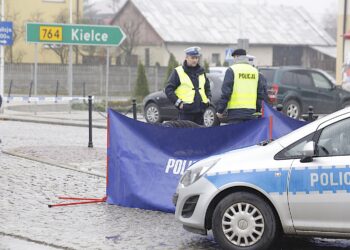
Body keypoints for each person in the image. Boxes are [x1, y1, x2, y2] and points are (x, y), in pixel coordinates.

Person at [216, 49, 268, 124]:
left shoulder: (232, 70)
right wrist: (259, 109)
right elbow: (260, 94)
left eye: (234, 58)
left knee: (236, 135)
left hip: (235, 113)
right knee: (248, 135)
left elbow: (226, 93)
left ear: (237, 57)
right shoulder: (255, 71)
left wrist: (220, 110)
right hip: (251, 113)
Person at [165, 46, 211, 125]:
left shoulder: (201, 71)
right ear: (186, 57)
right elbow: (168, 89)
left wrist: (208, 99)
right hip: (185, 112)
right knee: (185, 136)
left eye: (196, 58)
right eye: (192, 58)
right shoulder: (178, 71)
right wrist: (179, 103)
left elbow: (207, 87)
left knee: (199, 136)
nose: (195, 60)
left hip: (200, 111)